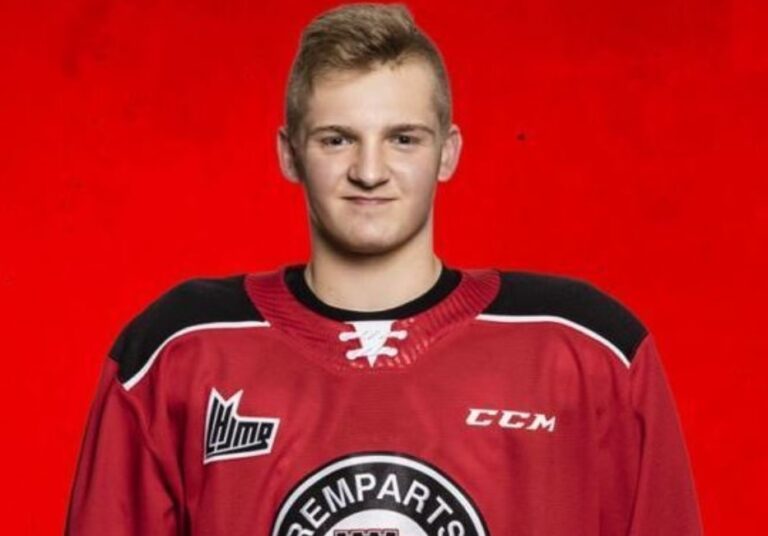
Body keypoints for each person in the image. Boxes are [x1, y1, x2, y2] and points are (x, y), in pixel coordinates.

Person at [65, 3, 703, 535]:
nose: (369, 172)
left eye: (403, 138)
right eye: (337, 138)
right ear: (289, 153)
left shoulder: (585, 350)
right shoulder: (179, 351)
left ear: (447, 152)